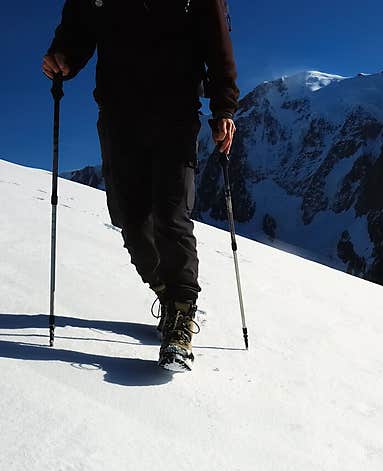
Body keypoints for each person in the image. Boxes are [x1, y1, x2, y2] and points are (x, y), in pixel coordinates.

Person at [42, 0, 240, 371]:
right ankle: (166, 295)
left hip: (176, 112)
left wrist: (223, 107)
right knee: (131, 219)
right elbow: (80, 26)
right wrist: (62, 57)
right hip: (119, 114)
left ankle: (182, 314)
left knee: (170, 214)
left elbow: (217, 41)